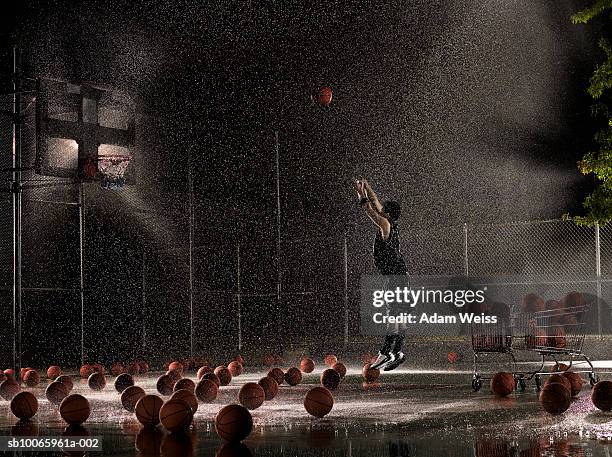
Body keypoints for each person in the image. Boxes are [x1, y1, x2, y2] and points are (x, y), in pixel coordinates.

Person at [355, 178, 407, 371]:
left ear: (387, 213)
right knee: (400, 316)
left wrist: (361, 195)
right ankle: (398, 352)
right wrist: (367, 187)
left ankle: (385, 353)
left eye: (383, 208)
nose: (380, 208)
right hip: (401, 276)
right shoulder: (392, 223)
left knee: (393, 316)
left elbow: (370, 211)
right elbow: (375, 203)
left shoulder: (384, 224)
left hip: (394, 278)